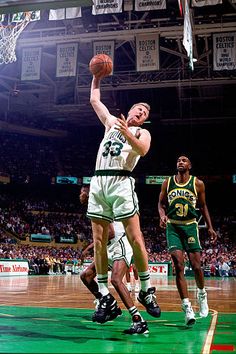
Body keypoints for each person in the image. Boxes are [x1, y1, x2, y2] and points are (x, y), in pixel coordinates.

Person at [87, 75, 161, 327]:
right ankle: (104, 295)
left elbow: (142, 149)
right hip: (99, 182)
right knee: (98, 240)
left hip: (121, 181)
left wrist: (127, 131)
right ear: (129, 111)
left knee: (136, 238)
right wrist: (96, 77)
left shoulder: (142, 131)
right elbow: (94, 99)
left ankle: (146, 287)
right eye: (137, 109)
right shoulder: (110, 123)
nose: (140, 113)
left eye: (143, 113)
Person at [79, 185, 149, 334]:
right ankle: (109, 303)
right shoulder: (93, 206)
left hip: (121, 242)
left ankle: (139, 320)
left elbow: (110, 233)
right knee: (86, 276)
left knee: (116, 280)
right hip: (110, 247)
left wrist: (89, 248)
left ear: (88, 192)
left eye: (82, 192)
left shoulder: (100, 204)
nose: (80, 195)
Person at [158, 155, 217, 326]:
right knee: (178, 265)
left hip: (191, 225)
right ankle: (186, 306)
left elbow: (203, 205)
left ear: (190, 165)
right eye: (178, 160)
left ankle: (202, 294)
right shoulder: (167, 182)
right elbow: (160, 203)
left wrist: (210, 226)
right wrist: (162, 216)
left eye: (184, 160)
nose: (180, 162)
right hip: (173, 226)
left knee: (196, 265)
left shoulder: (197, 183)